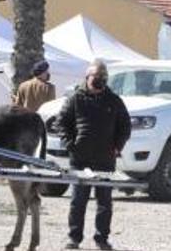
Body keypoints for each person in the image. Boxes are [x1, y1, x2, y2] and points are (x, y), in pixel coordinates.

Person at [58, 60, 130, 250]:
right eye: (96, 78)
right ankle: (74, 238)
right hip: (80, 159)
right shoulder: (75, 99)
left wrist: (117, 146)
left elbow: (125, 126)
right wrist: (70, 144)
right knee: (78, 201)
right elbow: (61, 123)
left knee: (104, 203)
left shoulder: (114, 100)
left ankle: (101, 239)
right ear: (87, 77)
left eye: (103, 78)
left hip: (105, 160)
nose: (99, 82)